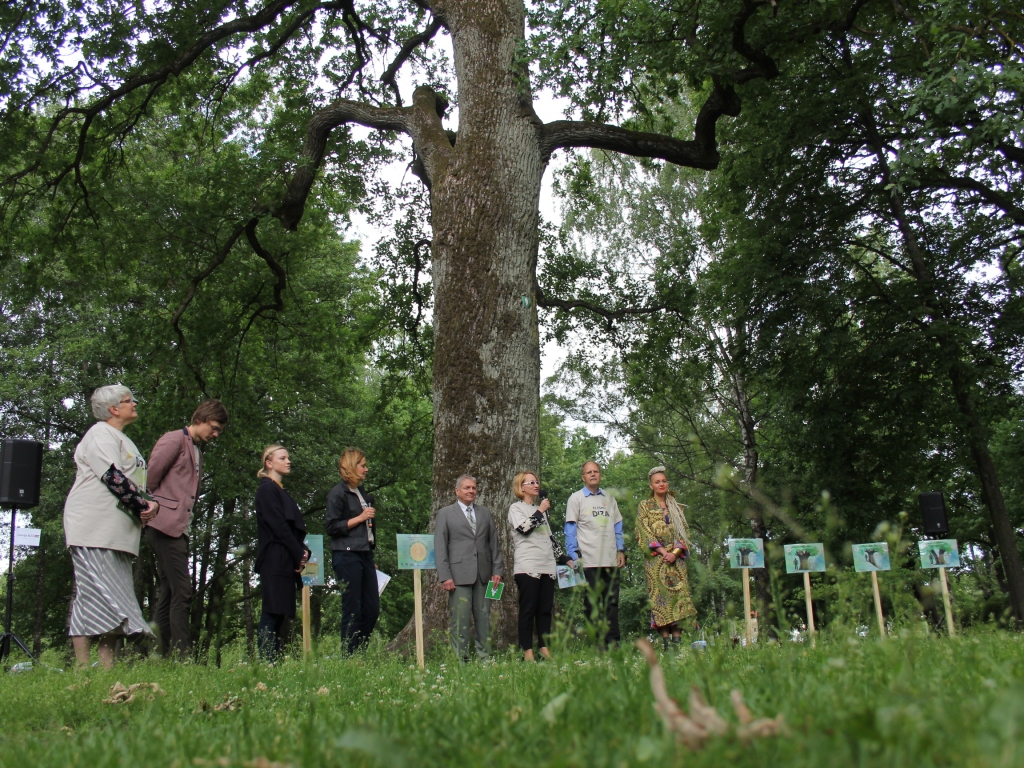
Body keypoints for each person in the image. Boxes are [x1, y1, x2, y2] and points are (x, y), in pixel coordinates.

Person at [63, 384, 159, 669]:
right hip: (94, 527)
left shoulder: (124, 439)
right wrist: (143, 507)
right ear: (114, 409)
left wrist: (152, 504)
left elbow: (136, 484)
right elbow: (113, 477)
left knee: (112, 596)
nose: (135, 403)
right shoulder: (99, 434)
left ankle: (106, 669)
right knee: (94, 593)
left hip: (120, 532)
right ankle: (82, 667)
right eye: (130, 400)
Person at [144, 399, 228, 659]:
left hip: (179, 529)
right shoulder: (173, 440)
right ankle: (183, 655)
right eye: (213, 428)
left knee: (169, 591)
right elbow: (149, 480)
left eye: (218, 431)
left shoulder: (197, 450)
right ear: (200, 419)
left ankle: (157, 654)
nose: (215, 434)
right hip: (164, 527)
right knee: (183, 590)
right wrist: (157, 509)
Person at [434, 474, 504, 661]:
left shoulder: (485, 513)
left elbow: (494, 544)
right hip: (457, 577)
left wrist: (497, 571)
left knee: (484, 619)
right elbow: (440, 547)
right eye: (467, 488)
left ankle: (485, 658)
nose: (471, 491)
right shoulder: (445, 513)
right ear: (457, 491)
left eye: (473, 488)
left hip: (484, 575)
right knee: (460, 621)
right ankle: (461, 660)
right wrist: (445, 575)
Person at [254, 445, 309, 662]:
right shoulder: (266, 489)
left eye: (288, 457)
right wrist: (299, 553)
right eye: (282, 458)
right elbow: (278, 526)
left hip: (286, 557)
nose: (288, 461)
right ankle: (268, 662)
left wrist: (302, 551)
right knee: (272, 611)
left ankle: (273, 661)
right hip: (274, 557)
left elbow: (292, 529)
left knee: (279, 615)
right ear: (269, 463)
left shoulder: (280, 490)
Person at [325, 448, 380, 654]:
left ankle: (359, 652)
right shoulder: (337, 493)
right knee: (352, 609)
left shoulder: (361, 493)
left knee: (372, 609)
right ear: (351, 466)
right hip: (346, 554)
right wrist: (360, 517)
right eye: (363, 465)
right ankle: (349, 656)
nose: (366, 469)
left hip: (364, 554)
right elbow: (331, 527)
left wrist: (369, 554)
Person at [635, 466, 697, 649]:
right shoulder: (645, 506)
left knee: (679, 600)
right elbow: (642, 531)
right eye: (657, 482)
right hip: (656, 561)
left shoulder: (676, 507)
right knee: (661, 600)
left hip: (676, 562)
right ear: (651, 485)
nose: (661, 484)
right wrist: (663, 552)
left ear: (667, 484)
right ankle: (666, 643)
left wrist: (675, 553)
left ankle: (677, 643)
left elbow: (684, 533)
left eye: (663, 481)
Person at [565, 460, 624, 648]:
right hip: (588, 560)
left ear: (600, 474)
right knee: (592, 605)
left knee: (611, 603)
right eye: (588, 472)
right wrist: (573, 555)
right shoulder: (576, 498)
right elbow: (570, 528)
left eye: (596, 471)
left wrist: (621, 550)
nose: (592, 474)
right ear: (583, 477)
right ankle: (597, 644)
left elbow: (618, 526)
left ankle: (613, 643)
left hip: (610, 559)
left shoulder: (610, 498)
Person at [508, 471, 562, 661]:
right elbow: (523, 529)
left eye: (537, 481)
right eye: (531, 482)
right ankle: (527, 652)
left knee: (545, 610)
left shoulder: (542, 511)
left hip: (547, 564)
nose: (536, 485)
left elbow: (549, 538)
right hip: (527, 565)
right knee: (528, 610)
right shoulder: (516, 509)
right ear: (521, 487)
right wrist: (540, 511)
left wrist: (564, 558)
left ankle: (544, 648)